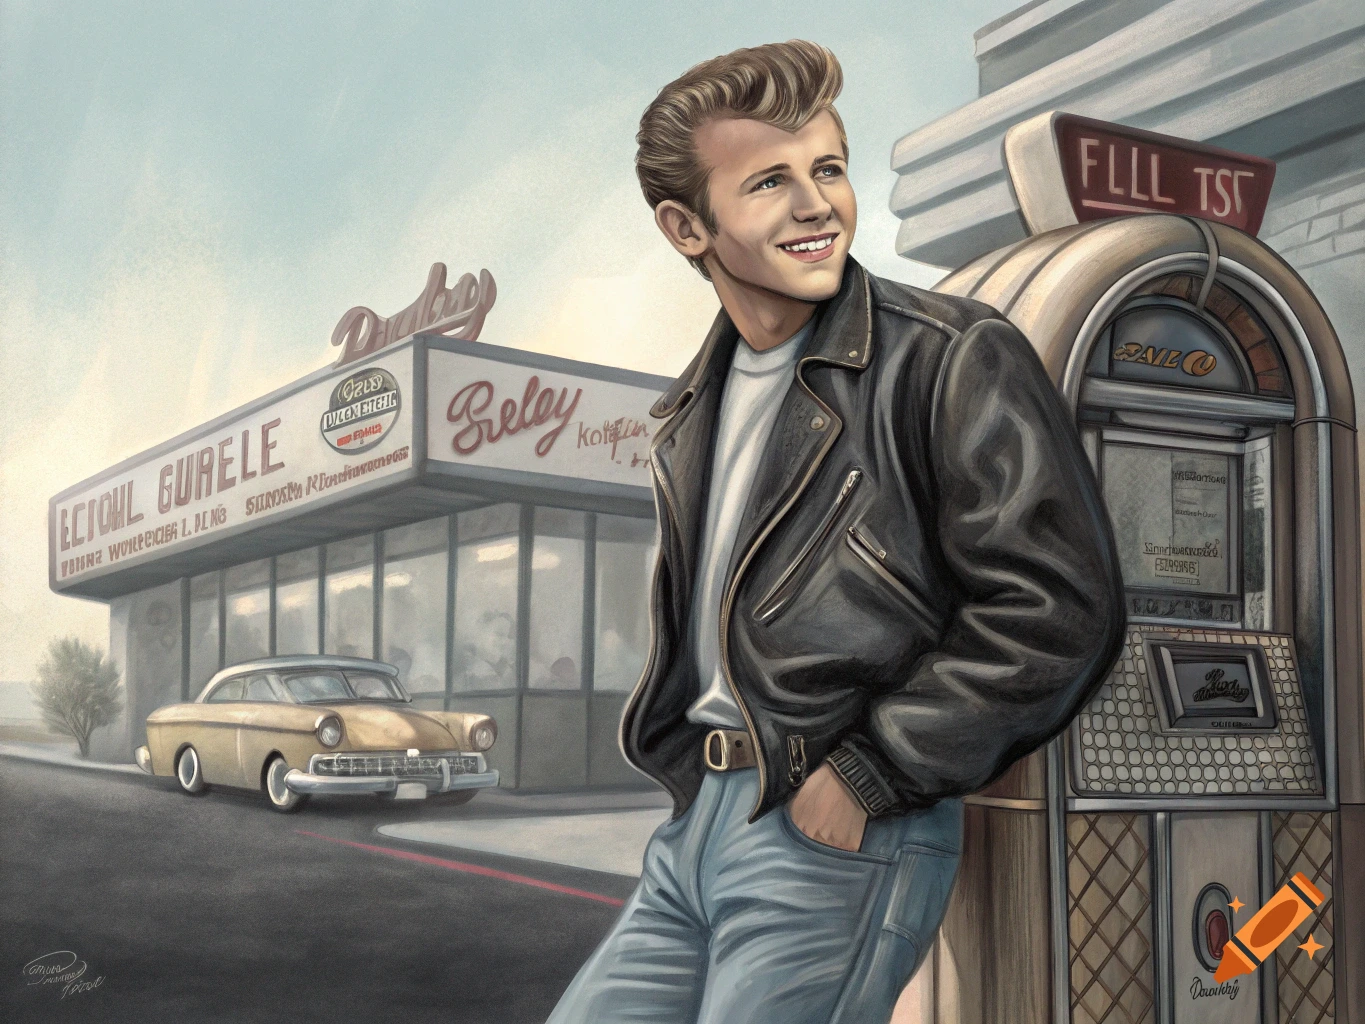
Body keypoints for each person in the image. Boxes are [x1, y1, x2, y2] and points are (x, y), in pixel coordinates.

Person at [546, 39, 1125, 1024]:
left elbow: (1056, 608)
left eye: (828, 168)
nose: (817, 205)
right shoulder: (690, 409)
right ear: (686, 226)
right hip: (701, 825)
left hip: (842, 823)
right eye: (770, 181)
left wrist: (867, 774)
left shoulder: (948, 357)